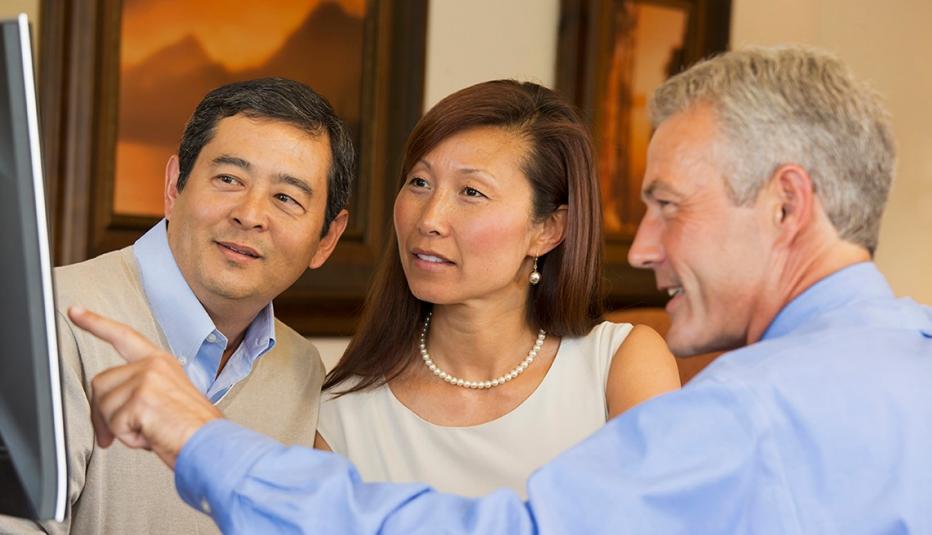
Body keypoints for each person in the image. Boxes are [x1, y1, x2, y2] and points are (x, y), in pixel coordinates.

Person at [71, 46, 931, 533]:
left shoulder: (750, 409)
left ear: (786, 202)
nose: (651, 244)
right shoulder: (909, 364)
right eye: (417, 183)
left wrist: (202, 437)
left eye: (669, 205)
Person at [0, 78, 354, 534]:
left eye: (286, 198)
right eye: (229, 179)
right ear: (173, 187)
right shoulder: (47, 324)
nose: (250, 214)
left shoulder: (301, 368)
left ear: (327, 239)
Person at [314, 80, 680, 498]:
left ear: (547, 230)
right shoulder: (343, 410)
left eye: (471, 191)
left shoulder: (619, 366)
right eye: (419, 183)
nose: (430, 218)